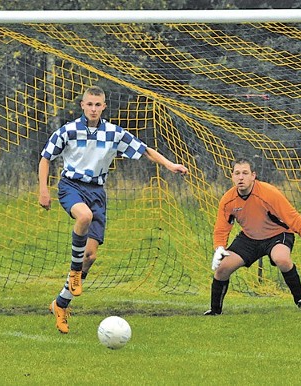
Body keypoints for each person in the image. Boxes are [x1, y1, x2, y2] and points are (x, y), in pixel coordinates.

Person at [38, 86, 188, 333]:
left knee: (91, 256)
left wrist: (170, 165)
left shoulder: (113, 133)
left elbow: (144, 149)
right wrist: (43, 190)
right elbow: (45, 157)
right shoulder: (68, 131)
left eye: (98, 105)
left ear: (104, 106)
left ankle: (61, 303)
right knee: (83, 216)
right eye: (89, 104)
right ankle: (74, 272)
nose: (93, 109)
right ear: (82, 105)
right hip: (71, 186)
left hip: (97, 193)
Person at [205, 158, 301, 315]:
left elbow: (292, 216)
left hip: (277, 234)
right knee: (222, 268)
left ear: (253, 175)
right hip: (249, 238)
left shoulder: (269, 193)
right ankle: (215, 311)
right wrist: (219, 247)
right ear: (232, 176)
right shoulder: (228, 200)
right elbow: (222, 227)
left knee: (282, 259)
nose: (241, 177)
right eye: (237, 173)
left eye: (245, 173)